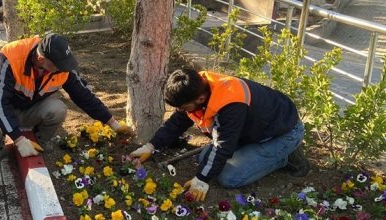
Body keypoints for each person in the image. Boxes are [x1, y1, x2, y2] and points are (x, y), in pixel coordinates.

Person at [129, 68, 309, 200]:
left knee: (229, 178)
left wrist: (201, 179)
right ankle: (260, 153)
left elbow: (223, 147)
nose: (181, 111)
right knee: (204, 158)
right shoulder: (196, 87)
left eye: (183, 107)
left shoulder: (230, 104)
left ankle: (285, 157)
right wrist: (151, 146)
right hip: (254, 129)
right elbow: (177, 122)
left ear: (199, 99)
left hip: (283, 132)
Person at [0, 33, 133, 161]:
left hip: (32, 109)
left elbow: (84, 96)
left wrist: (112, 123)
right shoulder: (11, 57)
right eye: (58, 66)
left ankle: (39, 140)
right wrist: (18, 139)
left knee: (58, 109)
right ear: (42, 60)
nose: (63, 70)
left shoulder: (63, 66)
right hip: (6, 107)